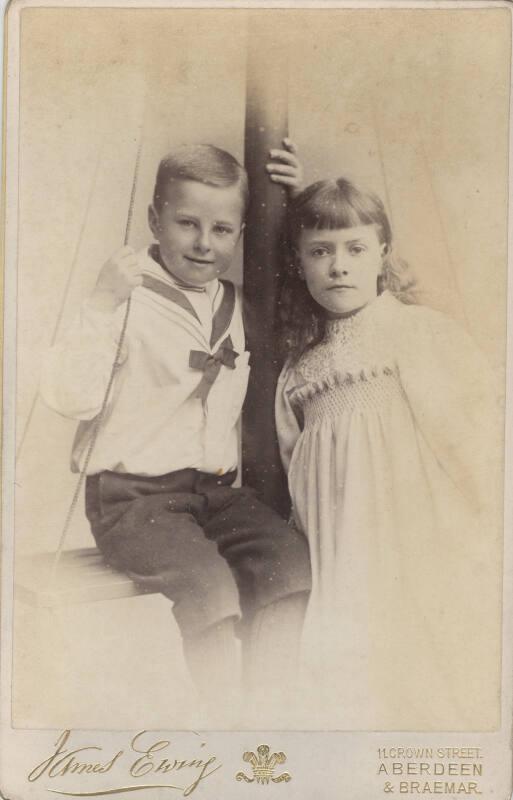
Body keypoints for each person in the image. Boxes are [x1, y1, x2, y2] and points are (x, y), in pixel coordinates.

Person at [41, 141, 310, 726]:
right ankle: (227, 722)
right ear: (154, 221)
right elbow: (69, 395)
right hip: (133, 501)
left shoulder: (235, 303)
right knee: (208, 584)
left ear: (240, 233)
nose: (204, 243)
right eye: (187, 223)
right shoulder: (127, 298)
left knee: (289, 562)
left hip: (210, 494)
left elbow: (306, 287)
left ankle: (271, 717)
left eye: (222, 229)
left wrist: (296, 203)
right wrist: (100, 302)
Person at [275, 177, 503, 730]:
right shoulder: (298, 369)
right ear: (298, 263)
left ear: (382, 253)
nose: (339, 266)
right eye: (320, 252)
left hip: (418, 540)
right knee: (354, 679)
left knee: (429, 670)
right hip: (341, 553)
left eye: (355, 249)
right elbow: (294, 470)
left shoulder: (416, 333)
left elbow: (476, 443)